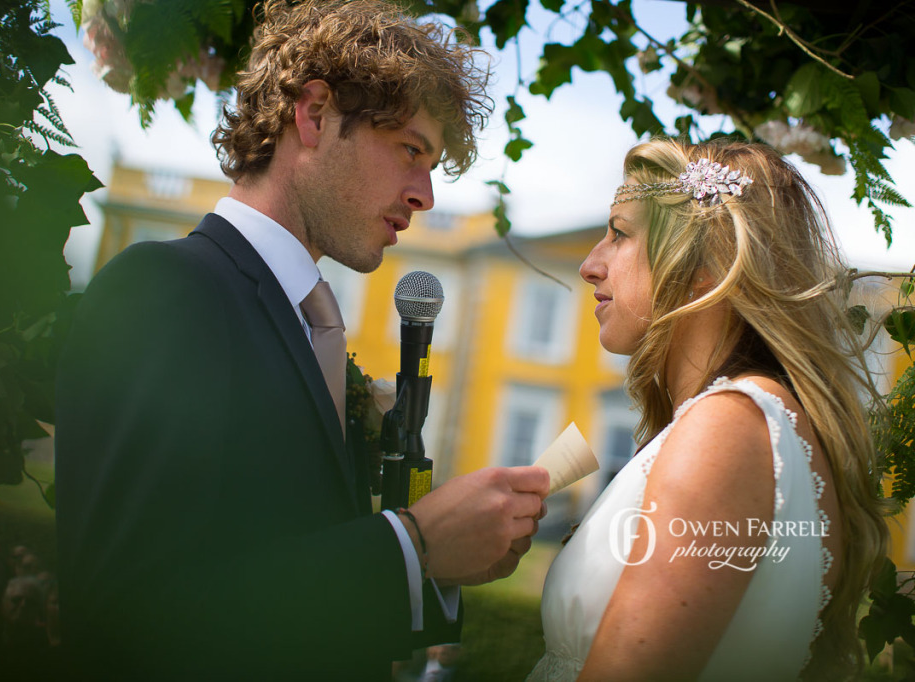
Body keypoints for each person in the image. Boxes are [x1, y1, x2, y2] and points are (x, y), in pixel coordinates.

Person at [54, 1, 549, 679]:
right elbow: (130, 613)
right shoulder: (167, 291)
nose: (425, 194)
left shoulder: (304, 319)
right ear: (313, 115)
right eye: (410, 149)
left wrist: (443, 558)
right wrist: (415, 545)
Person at [527, 139, 889, 681]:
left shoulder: (726, 430)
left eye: (619, 235)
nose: (589, 266)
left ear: (706, 264)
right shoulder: (743, 422)